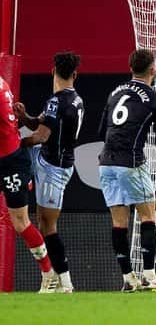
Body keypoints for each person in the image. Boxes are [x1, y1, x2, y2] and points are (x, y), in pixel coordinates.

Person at [98, 49, 156, 292]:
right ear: (153, 69)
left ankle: (129, 278)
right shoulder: (153, 98)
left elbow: (102, 131)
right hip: (129, 162)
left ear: (131, 68)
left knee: (119, 222)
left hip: (106, 163)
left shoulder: (115, 92)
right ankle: (150, 275)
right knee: (148, 214)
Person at [15, 52, 83, 293]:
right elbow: (41, 124)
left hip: (53, 167)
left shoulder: (56, 101)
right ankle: (56, 278)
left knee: (48, 226)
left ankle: (64, 283)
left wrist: (15, 142)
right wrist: (24, 118)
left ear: (52, 70)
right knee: (43, 223)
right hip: (52, 161)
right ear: (75, 74)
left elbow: (41, 136)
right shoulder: (75, 100)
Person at [0, 76, 58, 293]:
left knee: (20, 222)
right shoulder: (2, 82)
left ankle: (48, 273)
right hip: (6, 155)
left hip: (11, 162)